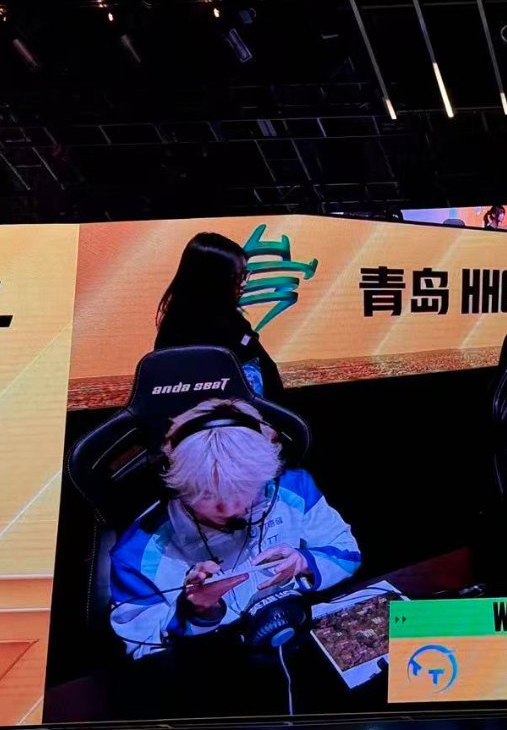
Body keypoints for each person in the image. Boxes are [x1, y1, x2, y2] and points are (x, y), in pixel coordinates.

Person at [109, 398, 361, 657]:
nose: (230, 509)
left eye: (244, 489)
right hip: (215, 660)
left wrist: (304, 562)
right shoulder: (135, 554)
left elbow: (349, 554)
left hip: (300, 631)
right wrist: (197, 609)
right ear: (177, 484)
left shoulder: (293, 488)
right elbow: (142, 650)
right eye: (208, 494)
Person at [155, 232, 284, 400]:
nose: (244, 283)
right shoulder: (191, 333)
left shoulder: (235, 325)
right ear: (215, 280)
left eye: (245, 275)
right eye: (239, 276)